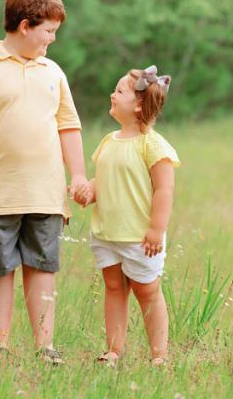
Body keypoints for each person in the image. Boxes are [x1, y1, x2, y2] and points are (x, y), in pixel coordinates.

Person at [0, 0, 88, 364]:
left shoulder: (52, 71)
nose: (52, 40)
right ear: (25, 25)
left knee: (42, 266)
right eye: (48, 31)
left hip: (45, 192)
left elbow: (68, 126)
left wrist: (77, 174)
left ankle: (45, 345)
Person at [73, 65, 180, 366]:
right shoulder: (109, 141)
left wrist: (156, 230)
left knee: (147, 291)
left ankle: (159, 354)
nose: (112, 93)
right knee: (114, 288)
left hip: (139, 236)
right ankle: (114, 350)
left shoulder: (152, 145)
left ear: (137, 104)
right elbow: (103, 180)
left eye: (119, 90)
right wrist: (89, 192)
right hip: (107, 233)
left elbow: (164, 191)